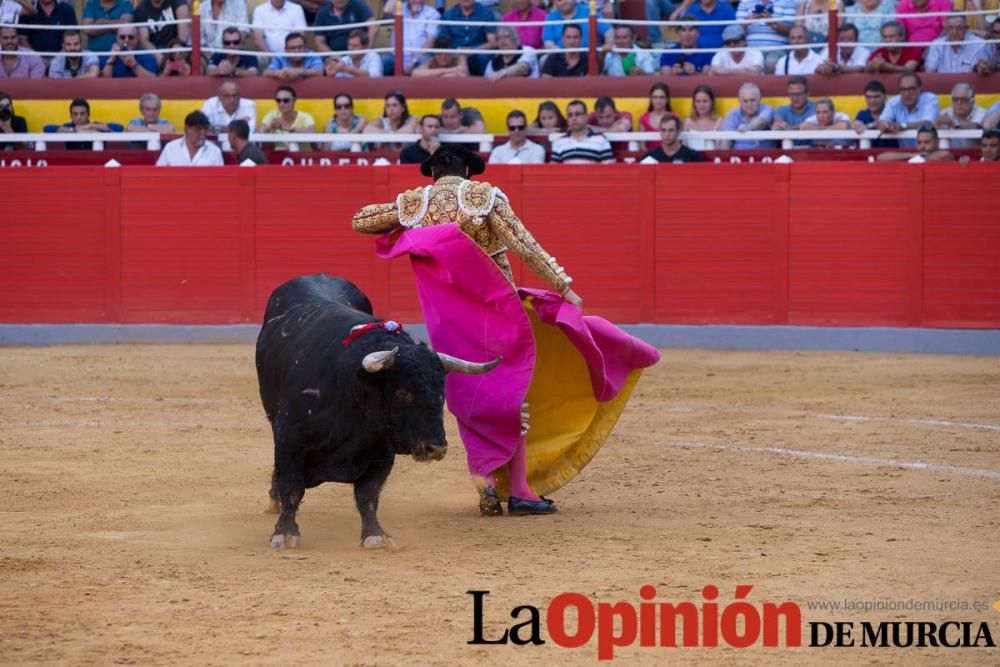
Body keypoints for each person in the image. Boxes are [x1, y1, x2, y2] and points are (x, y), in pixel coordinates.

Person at [353, 146, 657, 517]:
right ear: (468, 170)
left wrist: (407, 221)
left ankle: (483, 479)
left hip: (451, 323)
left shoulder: (416, 204)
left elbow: (361, 220)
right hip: (497, 314)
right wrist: (564, 287)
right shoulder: (484, 197)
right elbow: (525, 246)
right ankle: (520, 490)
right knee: (512, 391)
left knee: (471, 392)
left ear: (432, 174)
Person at [877, 73, 940, 147]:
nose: (907, 93)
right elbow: (882, 121)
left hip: (929, 152)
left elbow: (928, 123)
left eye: (911, 89)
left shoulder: (930, 99)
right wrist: (886, 125)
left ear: (920, 88)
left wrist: (903, 125)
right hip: (905, 153)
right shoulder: (893, 102)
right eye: (903, 89)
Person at [439, 0, 497, 76]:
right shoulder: (448, 15)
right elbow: (443, 41)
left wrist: (473, 50)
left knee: (484, 57)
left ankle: (485, 85)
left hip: (478, 52)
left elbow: (493, 42)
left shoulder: (486, 13)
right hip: (456, 53)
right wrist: (456, 52)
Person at [381, 0, 439, 76]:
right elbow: (387, 9)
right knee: (383, 62)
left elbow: (430, 40)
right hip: (396, 56)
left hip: (420, 57)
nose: (418, 1)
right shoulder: (399, 8)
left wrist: (414, 60)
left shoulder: (432, 13)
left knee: (429, 63)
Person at [550, 99, 614, 164]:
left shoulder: (601, 140)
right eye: (570, 115)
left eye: (578, 114)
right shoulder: (558, 142)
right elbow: (553, 171)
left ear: (586, 116)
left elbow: (608, 170)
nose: (574, 118)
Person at [924, 14, 993, 73]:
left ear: (966, 28)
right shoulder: (937, 45)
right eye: (950, 28)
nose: (954, 32)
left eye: (959, 28)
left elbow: (983, 68)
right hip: (943, 85)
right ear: (945, 29)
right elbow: (929, 72)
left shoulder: (979, 44)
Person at [157, 110, 225, 166]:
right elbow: (159, 173)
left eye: (205, 129)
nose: (203, 133)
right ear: (188, 129)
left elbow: (220, 178)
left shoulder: (215, 151)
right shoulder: (171, 148)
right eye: (199, 129)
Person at [135, 0, 190, 68]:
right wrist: (157, 56)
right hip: (156, 49)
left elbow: (184, 22)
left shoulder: (177, 1)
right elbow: (143, 40)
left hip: (177, 45)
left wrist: (178, 48)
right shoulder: (141, 9)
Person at [720, 82, 775, 149]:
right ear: (739, 101)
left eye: (752, 100)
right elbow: (726, 139)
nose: (749, 105)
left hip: (765, 155)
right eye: (745, 101)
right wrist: (724, 157)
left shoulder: (767, 109)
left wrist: (747, 127)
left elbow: (761, 122)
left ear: (759, 99)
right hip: (739, 156)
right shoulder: (733, 114)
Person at [260, 84, 316, 151]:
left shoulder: (305, 116)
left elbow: (312, 132)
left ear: (294, 101)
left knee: (293, 142)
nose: (281, 103)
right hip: (279, 157)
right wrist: (270, 128)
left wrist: (287, 128)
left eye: (286, 100)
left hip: (302, 156)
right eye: (278, 100)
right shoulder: (272, 115)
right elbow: (260, 132)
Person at [934, 83, 986, 148]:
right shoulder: (946, 112)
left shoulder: (981, 112)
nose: (959, 103)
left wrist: (955, 125)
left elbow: (976, 126)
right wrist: (936, 126)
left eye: (963, 99)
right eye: (955, 99)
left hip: (974, 153)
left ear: (972, 101)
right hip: (951, 154)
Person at [641, 114, 706, 163]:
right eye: (664, 130)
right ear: (660, 132)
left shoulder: (692, 156)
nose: (667, 134)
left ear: (678, 131)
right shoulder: (650, 156)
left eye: (671, 130)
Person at [772, 75, 816, 146]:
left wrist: (791, 128)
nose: (795, 98)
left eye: (799, 94)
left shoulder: (816, 108)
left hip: (814, 150)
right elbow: (777, 123)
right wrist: (779, 125)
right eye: (792, 94)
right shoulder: (782, 110)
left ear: (807, 93)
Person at [875, 124, 955, 161]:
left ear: (937, 142)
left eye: (927, 142)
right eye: (919, 142)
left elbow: (942, 156)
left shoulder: (944, 155)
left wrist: (920, 157)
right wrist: (913, 155)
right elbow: (880, 158)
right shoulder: (914, 156)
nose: (922, 146)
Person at [854, 79, 896, 148]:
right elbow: (858, 126)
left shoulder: (893, 112)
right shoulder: (862, 114)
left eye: (876, 97)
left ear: (885, 97)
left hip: (892, 155)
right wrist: (857, 126)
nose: (872, 100)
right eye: (869, 97)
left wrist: (869, 125)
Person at [683, 84, 722, 150]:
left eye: (705, 101)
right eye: (698, 101)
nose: (701, 105)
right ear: (694, 103)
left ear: (712, 102)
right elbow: (684, 148)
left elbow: (720, 149)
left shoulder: (719, 122)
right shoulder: (687, 122)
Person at [638, 83, 672, 149]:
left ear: (667, 99)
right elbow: (642, 145)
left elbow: (678, 143)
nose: (658, 100)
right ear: (651, 99)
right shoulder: (643, 119)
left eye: (662, 97)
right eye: (655, 97)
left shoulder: (675, 118)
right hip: (649, 157)